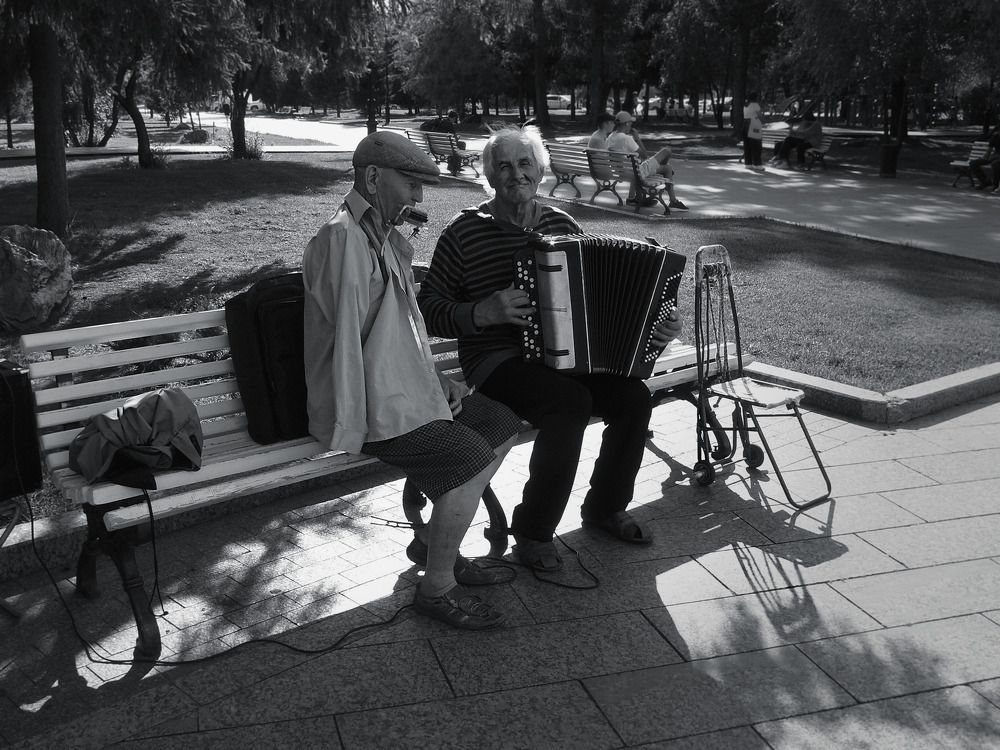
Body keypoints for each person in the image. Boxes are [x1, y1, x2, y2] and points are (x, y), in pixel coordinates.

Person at [417, 126, 683, 573]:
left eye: (524, 164)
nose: (515, 174)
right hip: (497, 362)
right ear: (489, 175)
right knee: (568, 403)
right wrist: (484, 311)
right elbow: (428, 309)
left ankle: (604, 506)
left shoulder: (561, 224)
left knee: (634, 397)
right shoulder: (464, 232)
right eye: (503, 165)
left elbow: (604, 296)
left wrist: (660, 323)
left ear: (540, 170)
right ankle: (533, 530)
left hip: (567, 359)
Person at [302, 130, 520, 630]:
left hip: (404, 392)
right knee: (466, 456)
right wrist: (392, 410)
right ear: (374, 178)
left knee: (500, 422)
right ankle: (436, 587)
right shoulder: (341, 240)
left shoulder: (386, 240)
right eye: (412, 184)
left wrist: (435, 380)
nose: (419, 197)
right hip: (367, 402)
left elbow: (404, 333)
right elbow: (352, 352)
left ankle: (435, 543)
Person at [607, 111, 688, 210]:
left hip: (622, 171)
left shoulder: (610, 137)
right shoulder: (626, 138)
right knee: (666, 151)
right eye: (630, 123)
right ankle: (672, 200)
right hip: (636, 172)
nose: (631, 125)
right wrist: (637, 138)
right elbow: (644, 155)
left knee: (667, 168)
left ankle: (673, 201)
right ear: (626, 124)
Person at [969, 119, 1000, 191]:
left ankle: (995, 185)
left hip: (996, 159)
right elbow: (989, 150)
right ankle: (985, 182)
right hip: (994, 157)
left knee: (995, 164)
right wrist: (984, 158)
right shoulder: (995, 137)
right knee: (973, 163)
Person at [742, 92, 764, 171]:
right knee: (756, 145)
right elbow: (760, 116)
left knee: (747, 144)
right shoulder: (755, 105)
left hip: (745, 124)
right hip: (753, 125)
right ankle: (757, 164)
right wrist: (763, 122)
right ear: (755, 98)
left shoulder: (745, 105)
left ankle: (748, 163)